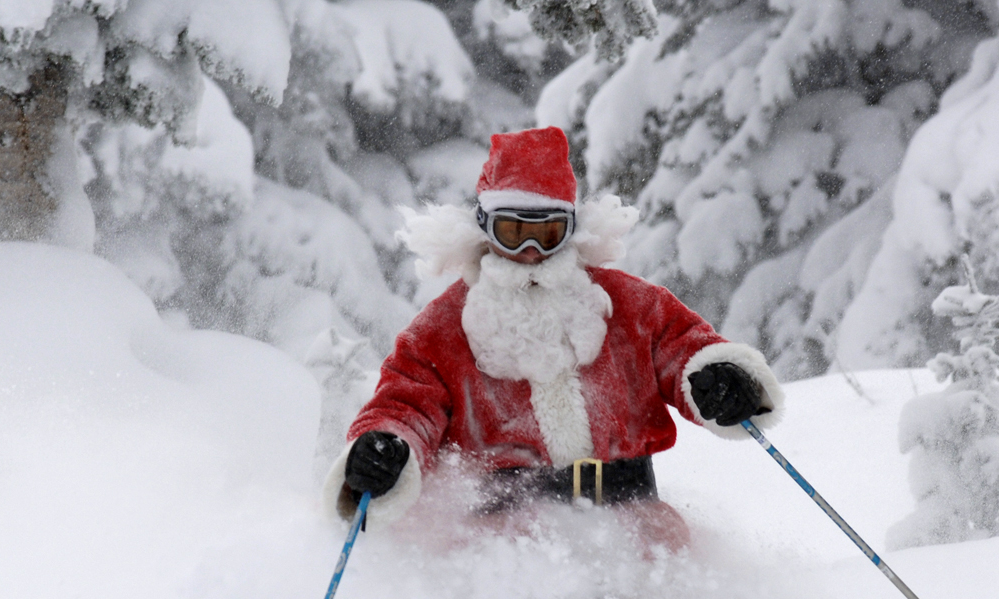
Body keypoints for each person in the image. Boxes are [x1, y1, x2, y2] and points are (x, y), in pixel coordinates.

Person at [324, 127, 783, 549]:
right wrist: (387, 446)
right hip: (503, 546)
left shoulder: (629, 305)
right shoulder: (443, 329)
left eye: (546, 233)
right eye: (513, 232)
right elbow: (405, 405)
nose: (529, 252)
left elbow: (682, 350)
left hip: (636, 529)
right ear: (485, 229)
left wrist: (718, 377)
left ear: (571, 231)